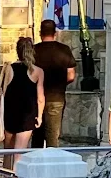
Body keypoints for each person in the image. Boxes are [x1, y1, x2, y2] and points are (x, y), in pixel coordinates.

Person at [32, 18, 77, 148]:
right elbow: (71, 75)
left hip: (35, 98)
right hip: (56, 97)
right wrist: (61, 83)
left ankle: (36, 164)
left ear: (40, 33)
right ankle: (52, 164)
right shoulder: (64, 50)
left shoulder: (34, 51)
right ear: (55, 33)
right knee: (53, 137)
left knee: (37, 136)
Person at [0, 36, 45, 150]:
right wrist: (40, 116)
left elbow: (4, 91)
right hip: (28, 114)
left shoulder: (9, 68)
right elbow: (40, 98)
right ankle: (17, 168)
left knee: (8, 151)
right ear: (32, 51)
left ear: (17, 51)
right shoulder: (38, 71)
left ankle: (6, 168)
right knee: (19, 151)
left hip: (10, 112)